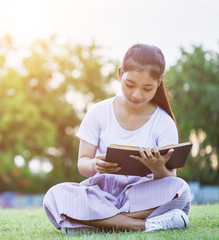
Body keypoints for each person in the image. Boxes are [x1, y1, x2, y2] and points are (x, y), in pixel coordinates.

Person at [43, 43, 191, 234]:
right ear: (120, 73)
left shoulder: (163, 122)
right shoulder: (98, 112)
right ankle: (145, 225)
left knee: (181, 189)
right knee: (55, 196)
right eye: (130, 85)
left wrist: (157, 168)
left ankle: (93, 223)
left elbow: (170, 179)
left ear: (159, 82)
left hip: (141, 194)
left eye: (147, 88)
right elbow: (83, 164)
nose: (137, 94)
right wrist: (95, 165)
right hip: (101, 192)